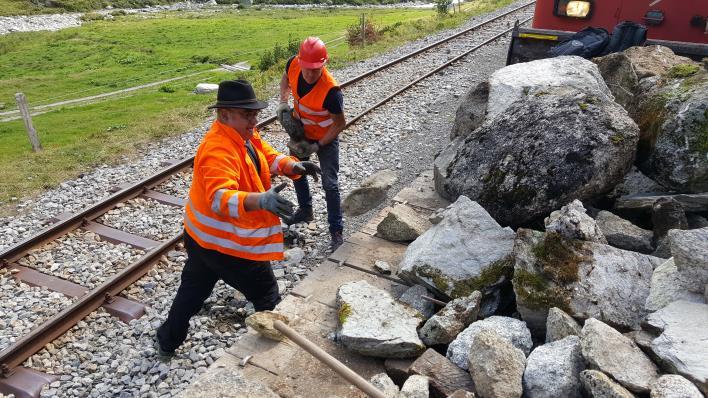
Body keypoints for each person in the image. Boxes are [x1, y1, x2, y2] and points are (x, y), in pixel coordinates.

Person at [156, 79, 320, 358]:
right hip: (230, 245)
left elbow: (264, 156)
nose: (254, 120)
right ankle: (274, 356)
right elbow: (220, 198)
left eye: (254, 113)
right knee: (267, 295)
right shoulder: (217, 149)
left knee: (193, 291)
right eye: (247, 114)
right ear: (224, 114)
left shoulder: (241, 135)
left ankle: (167, 339)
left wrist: (293, 166)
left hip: (202, 239)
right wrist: (261, 200)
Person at [278, 36, 346, 251]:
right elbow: (284, 79)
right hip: (300, 131)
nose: (309, 74)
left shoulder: (332, 92)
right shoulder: (293, 64)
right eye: (307, 68)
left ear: (323, 64)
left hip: (325, 137)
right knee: (297, 170)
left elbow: (339, 124)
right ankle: (305, 210)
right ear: (300, 61)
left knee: (330, 184)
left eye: (315, 70)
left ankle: (336, 230)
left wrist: (317, 146)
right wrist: (283, 101)